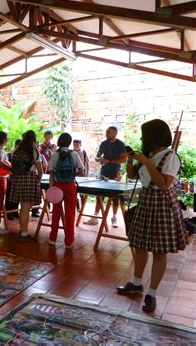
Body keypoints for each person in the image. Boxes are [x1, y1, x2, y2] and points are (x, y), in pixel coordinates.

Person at [116, 119, 185, 313]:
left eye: (144, 135)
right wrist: (131, 159)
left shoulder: (171, 156)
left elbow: (164, 184)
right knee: (140, 245)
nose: (142, 138)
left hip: (162, 205)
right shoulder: (149, 154)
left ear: (154, 136)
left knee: (159, 250)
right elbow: (132, 175)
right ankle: (136, 283)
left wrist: (146, 162)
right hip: (146, 201)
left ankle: (152, 293)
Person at [85, 126, 127, 228]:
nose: (107, 134)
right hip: (104, 172)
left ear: (115, 134)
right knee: (99, 195)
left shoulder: (121, 144)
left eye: (109, 133)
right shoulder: (104, 143)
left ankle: (114, 217)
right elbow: (98, 156)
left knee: (115, 197)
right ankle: (95, 217)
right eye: (106, 132)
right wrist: (98, 159)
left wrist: (109, 161)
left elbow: (124, 160)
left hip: (115, 173)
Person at [48, 133, 84, 248]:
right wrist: (72, 173)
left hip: (57, 186)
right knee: (70, 214)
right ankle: (69, 241)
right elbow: (82, 171)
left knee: (56, 213)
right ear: (69, 142)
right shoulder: (74, 154)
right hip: (70, 186)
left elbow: (51, 173)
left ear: (59, 142)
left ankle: (52, 238)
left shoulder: (54, 155)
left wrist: (51, 187)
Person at [10, 131, 43, 241]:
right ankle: (24, 233)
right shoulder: (33, 149)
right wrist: (39, 177)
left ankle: (22, 229)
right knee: (25, 207)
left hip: (17, 179)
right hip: (29, 178)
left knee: (22, 206)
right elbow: (39, 167)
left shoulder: (16, 150)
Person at [5, 139, 21, 220]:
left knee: (14, 195)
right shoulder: (16, 152)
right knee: (11, 195)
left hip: (13, 176)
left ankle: (13, 212)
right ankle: (10, 213)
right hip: (12, 176)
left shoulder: (15, 151)